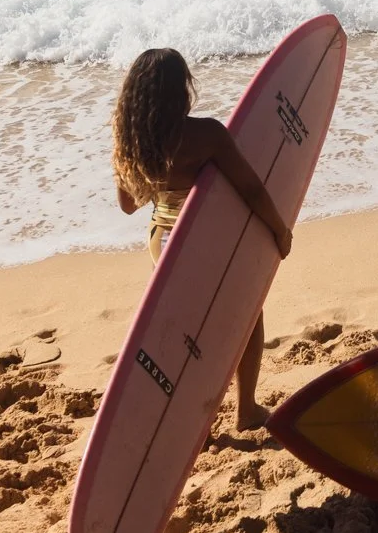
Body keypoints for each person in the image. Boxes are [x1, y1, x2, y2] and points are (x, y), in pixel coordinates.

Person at [111, 47, 293, 431]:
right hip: (203, 240)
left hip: (163, 244)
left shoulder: (130, 143)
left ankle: (192, 424)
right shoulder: (206, 134)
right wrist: (279, 229)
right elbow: (251, 189)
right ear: (180, 90)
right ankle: (246, 409)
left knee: (186, 335)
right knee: (248, 315)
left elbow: (127, 206)